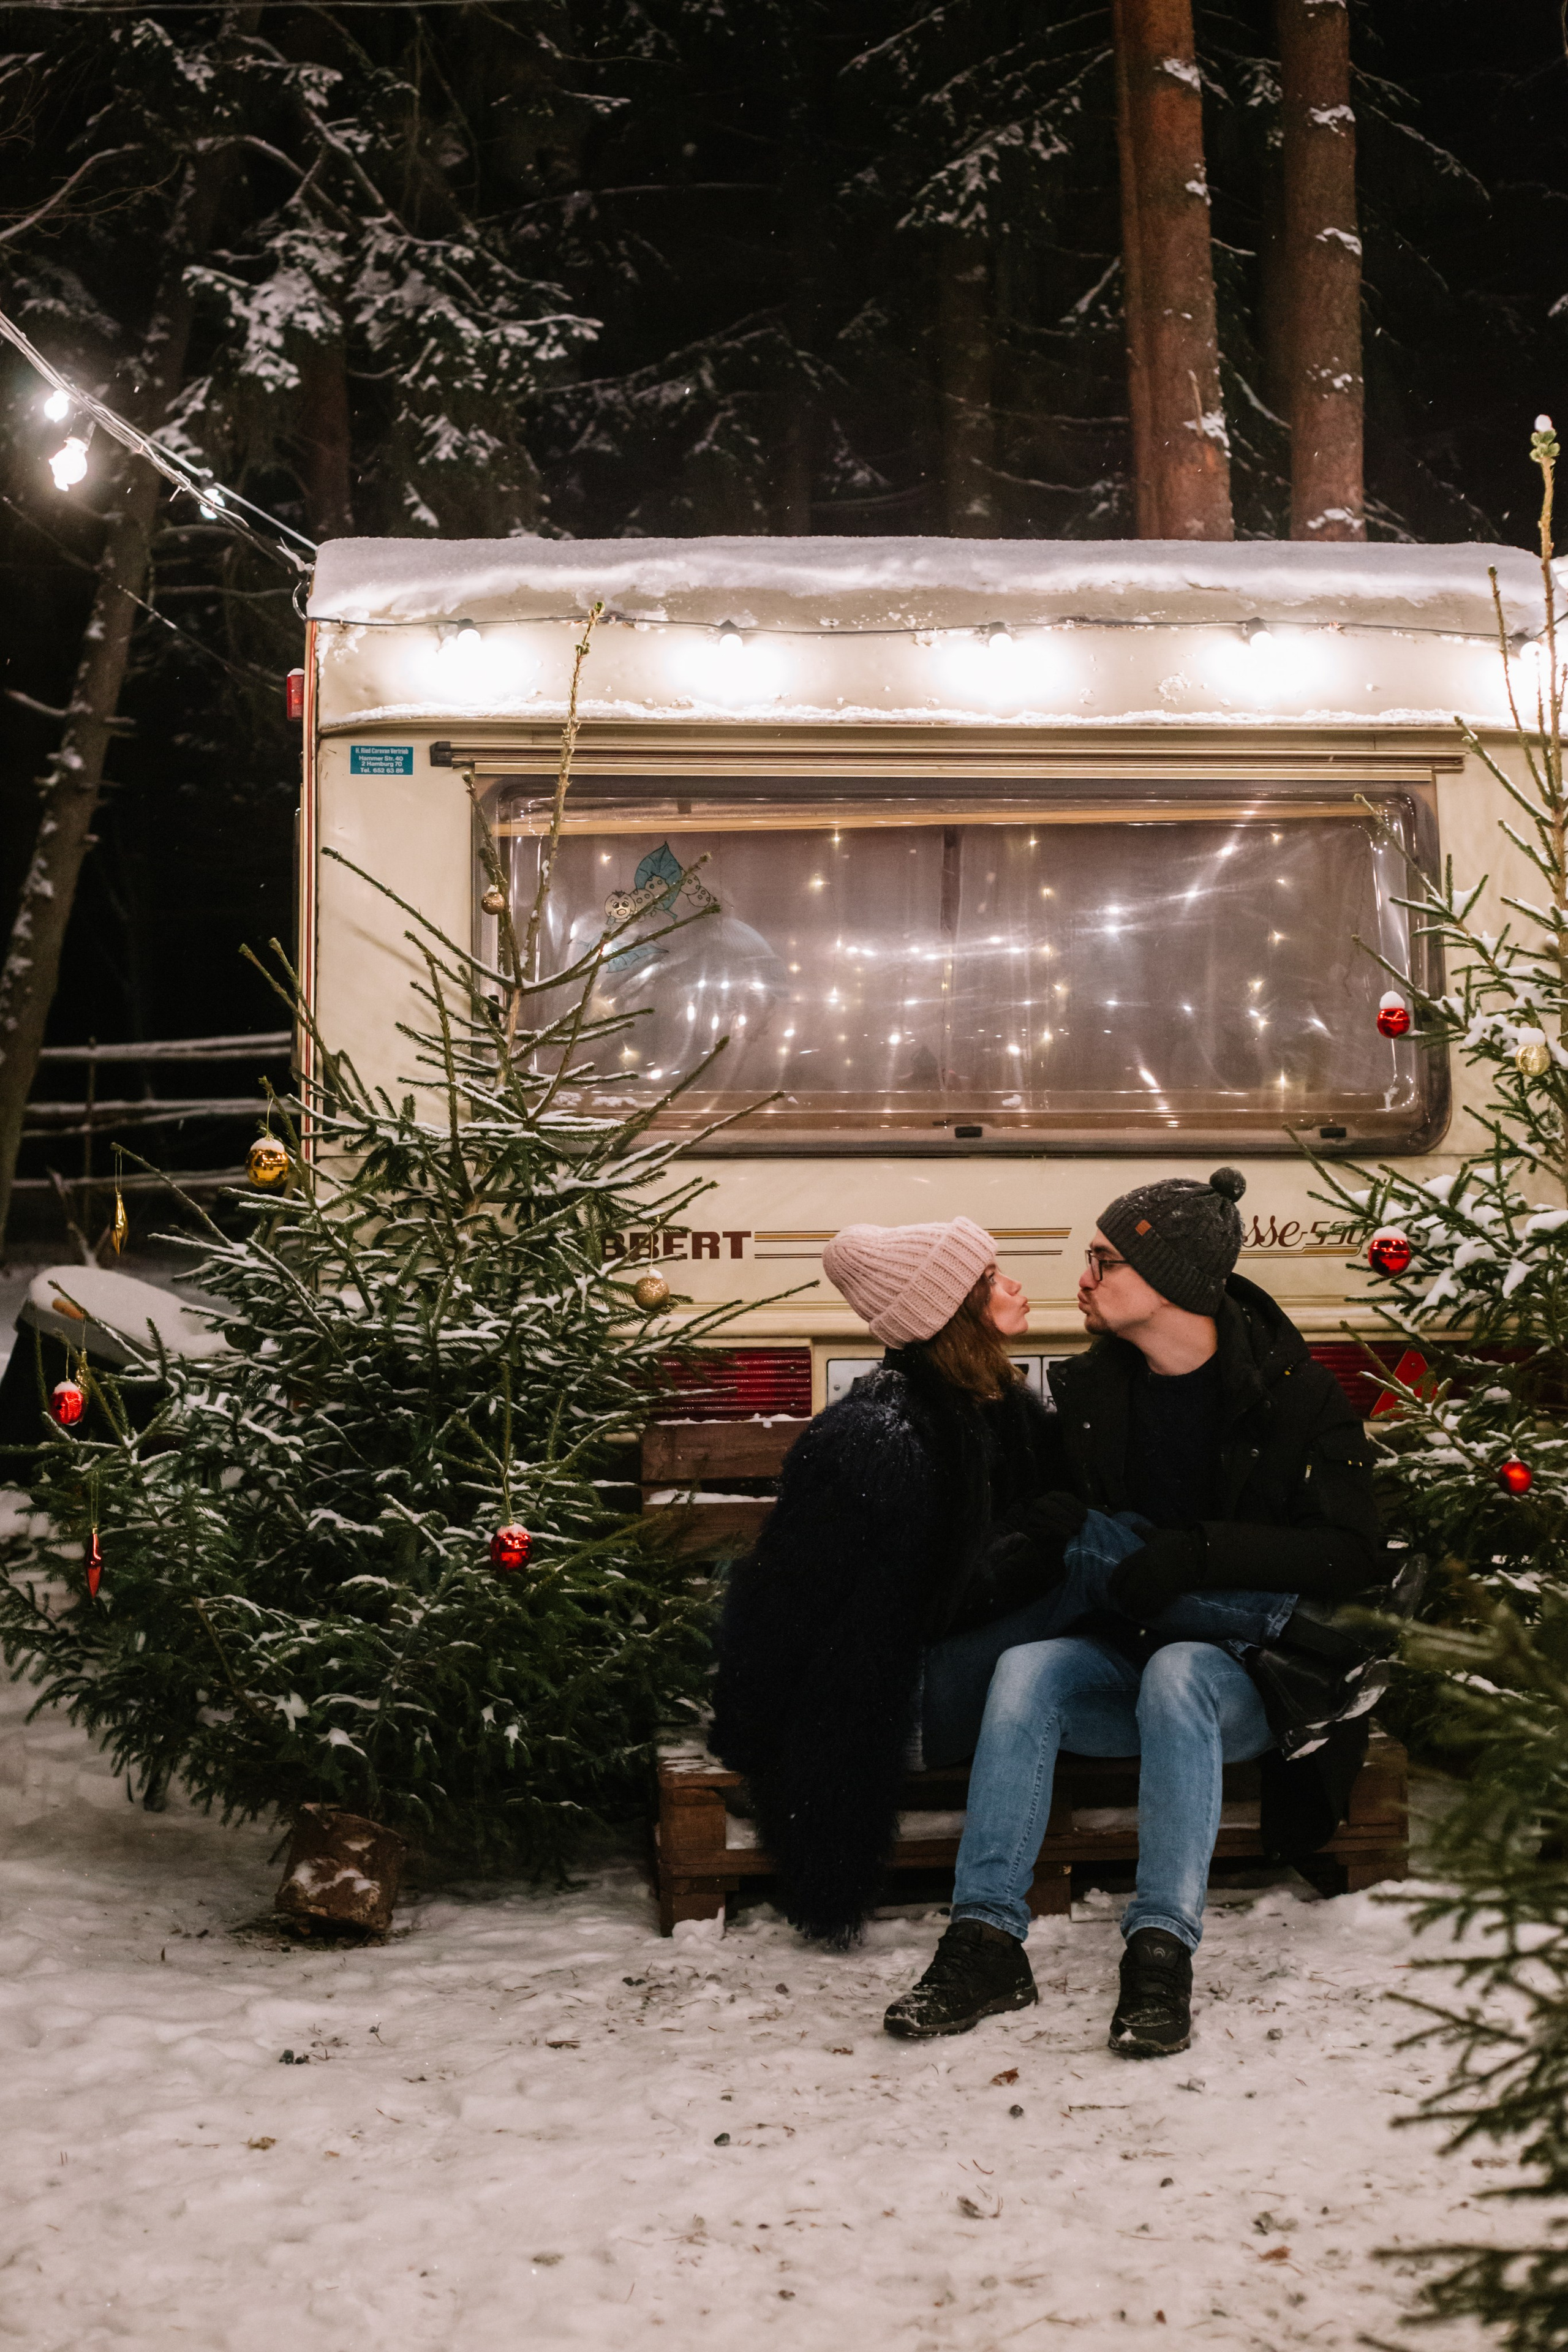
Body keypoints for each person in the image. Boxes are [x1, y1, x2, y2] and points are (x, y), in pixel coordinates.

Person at [881, 1167, 1392, 2058]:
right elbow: (1066, 1544)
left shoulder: (1293, 1394)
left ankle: (1160, 1952)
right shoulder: (1089, 1394)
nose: (1083, 1278)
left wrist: (1198, 1553)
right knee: (1027, 1670)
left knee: (1180, 1670)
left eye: (1104, 1260)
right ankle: (985, 1940)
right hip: (1126, 1646)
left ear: (1170, 1281)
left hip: (1249, 1684)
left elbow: (1352, 1554)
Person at [708, 1218, 1086, 1947]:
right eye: (990, 1279)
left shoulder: (992, 1407)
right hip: (901, 1702)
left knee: (1097, 1553)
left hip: (960, 1669)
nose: (1014, 1286)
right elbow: (783, 1601)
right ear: (950, 1310)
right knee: (1094, 1556)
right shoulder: (875, 1438)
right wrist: (750, 1737)